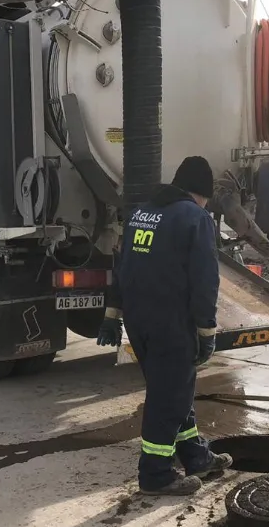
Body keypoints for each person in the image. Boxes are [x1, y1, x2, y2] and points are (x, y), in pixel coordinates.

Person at [96, 155, 233, 495]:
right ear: (202, 192)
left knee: (174, 391)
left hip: (140, 322)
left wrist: (112, 315)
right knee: (166, 397)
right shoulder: (195, 217)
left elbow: (123, 266)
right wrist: (207, 331)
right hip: (173, 325)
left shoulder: (141, 214)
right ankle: (156, 474)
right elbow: (205, 281)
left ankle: (195, 456)